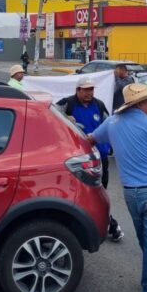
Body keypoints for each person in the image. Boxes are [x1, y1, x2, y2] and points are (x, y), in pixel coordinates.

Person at [90, 83, 147, 292]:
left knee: (146, 239)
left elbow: (90, 139)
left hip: (131, 192)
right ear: (139, 103)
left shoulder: (112, 122)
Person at [57, 77, 123, 242]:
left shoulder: (99, 105)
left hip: (99, 157)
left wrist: (112, 147)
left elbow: (111, 124)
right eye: (86, 90)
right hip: (77, 158)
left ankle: (105, 223)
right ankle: (109, 225)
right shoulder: (67, 104)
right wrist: (65, 118)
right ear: (78, 90)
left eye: (91, 89)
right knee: (84, 194)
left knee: (100, 193)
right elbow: (51, 118)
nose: (89, 93)